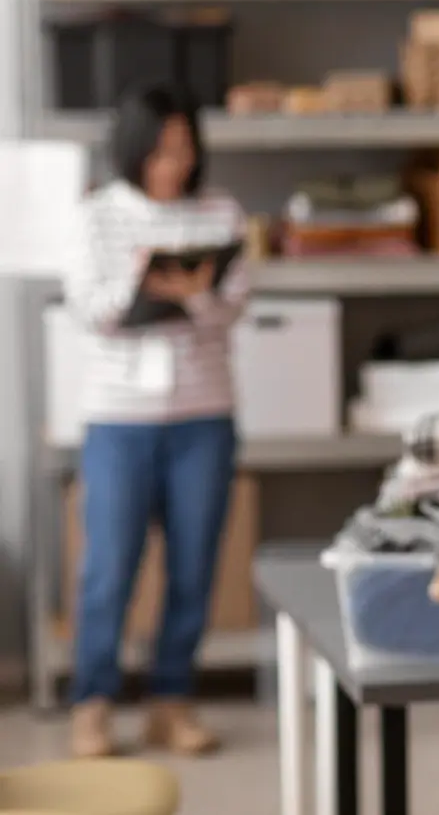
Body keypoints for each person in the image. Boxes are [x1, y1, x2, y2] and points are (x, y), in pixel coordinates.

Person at [61, 82, 251, 757]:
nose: (174, 161)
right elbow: (89, 308)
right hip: (119, 418)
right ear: (134, 148)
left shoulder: (220, 211)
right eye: (162, 149)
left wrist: (195, 297)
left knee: (194, 567)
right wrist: (143, 286)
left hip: (204, 413)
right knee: (108, 567)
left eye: (184, 147)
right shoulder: (97, 215)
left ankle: (172, 701)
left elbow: (234, 306)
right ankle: (93, 702)